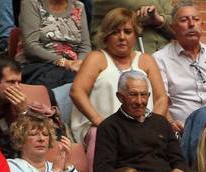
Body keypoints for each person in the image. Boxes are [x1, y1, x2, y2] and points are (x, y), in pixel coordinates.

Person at [91, 71, 183, 172]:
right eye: (133, 95)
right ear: (120, 97)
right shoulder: (109, 127)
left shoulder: (161, 122)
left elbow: (179, 159)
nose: (140, 101)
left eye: (144, 95)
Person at [69, 9, 168, 142]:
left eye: (127, 32)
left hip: (143, 128)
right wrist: (101, 122)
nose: (122, 37)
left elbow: (161, 98)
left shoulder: (146, 60)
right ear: (106, 36)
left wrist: (150, 126)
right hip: (100, 128)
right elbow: (77, 92)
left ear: (135, 35)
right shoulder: (96, 58)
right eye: (115, 32)